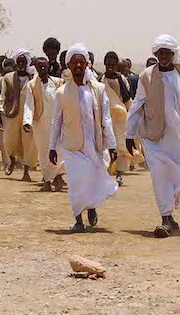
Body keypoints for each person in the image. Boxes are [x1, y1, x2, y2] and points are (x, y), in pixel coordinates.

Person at [125, 35, 180, 238]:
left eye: (167, 52)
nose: (163, 56)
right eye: (160, 52)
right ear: (155, 54)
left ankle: (169, 214)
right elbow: (137, 104)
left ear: (173, 54)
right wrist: (130, 134)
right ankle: (164, 219)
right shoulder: (146, 76)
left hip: (178, 136)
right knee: (160, 175)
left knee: (178, 176)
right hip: (153, 137)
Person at [50, 43, 118, 232]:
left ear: (87, 65)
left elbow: (106, 118)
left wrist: (111, 144)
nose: (78, 66)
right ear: (68, 66)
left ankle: (92, 207)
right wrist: (51, 147)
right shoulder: (61, 93)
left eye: (82, 62)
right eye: (74, 63)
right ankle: (78, 220)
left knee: (92, 179)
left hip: (93, 144)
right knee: (76, 182)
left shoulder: (98, 89)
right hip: (71, 146)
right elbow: (56, 121)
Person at [23, 57, 66, 192]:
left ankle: (58, 176)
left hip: (57, 123)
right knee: (43, 152)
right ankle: (47, 180)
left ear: (48, 67)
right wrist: (27, 121)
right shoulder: (31, 85)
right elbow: (28, 104)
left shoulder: (58, 82)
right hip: (40, 123)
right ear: (35, 68)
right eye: (39, 67)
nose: (42, 69)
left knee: (59, 151)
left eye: (44, 66)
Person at [101, 51, 142, 185]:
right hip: (106, 118)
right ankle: (106, 174)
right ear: (105, 64)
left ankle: (119, 174)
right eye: (108, 64)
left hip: (121, 117)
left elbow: (126, 98)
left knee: (121, 146)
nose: (110, 67)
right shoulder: (100, 80)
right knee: (107, 145)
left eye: (113, 64)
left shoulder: (121, 79)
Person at [0, 48, 39, 181]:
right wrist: (0, 112)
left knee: (28, 142)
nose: (21, 64)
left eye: (23, 62)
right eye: (19, 61)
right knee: (9, 140)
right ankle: (11, 160)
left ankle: (26, 171)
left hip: (28, 115)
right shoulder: (8, 78)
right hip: (12, 114)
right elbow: (2, 96)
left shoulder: (33, 79)